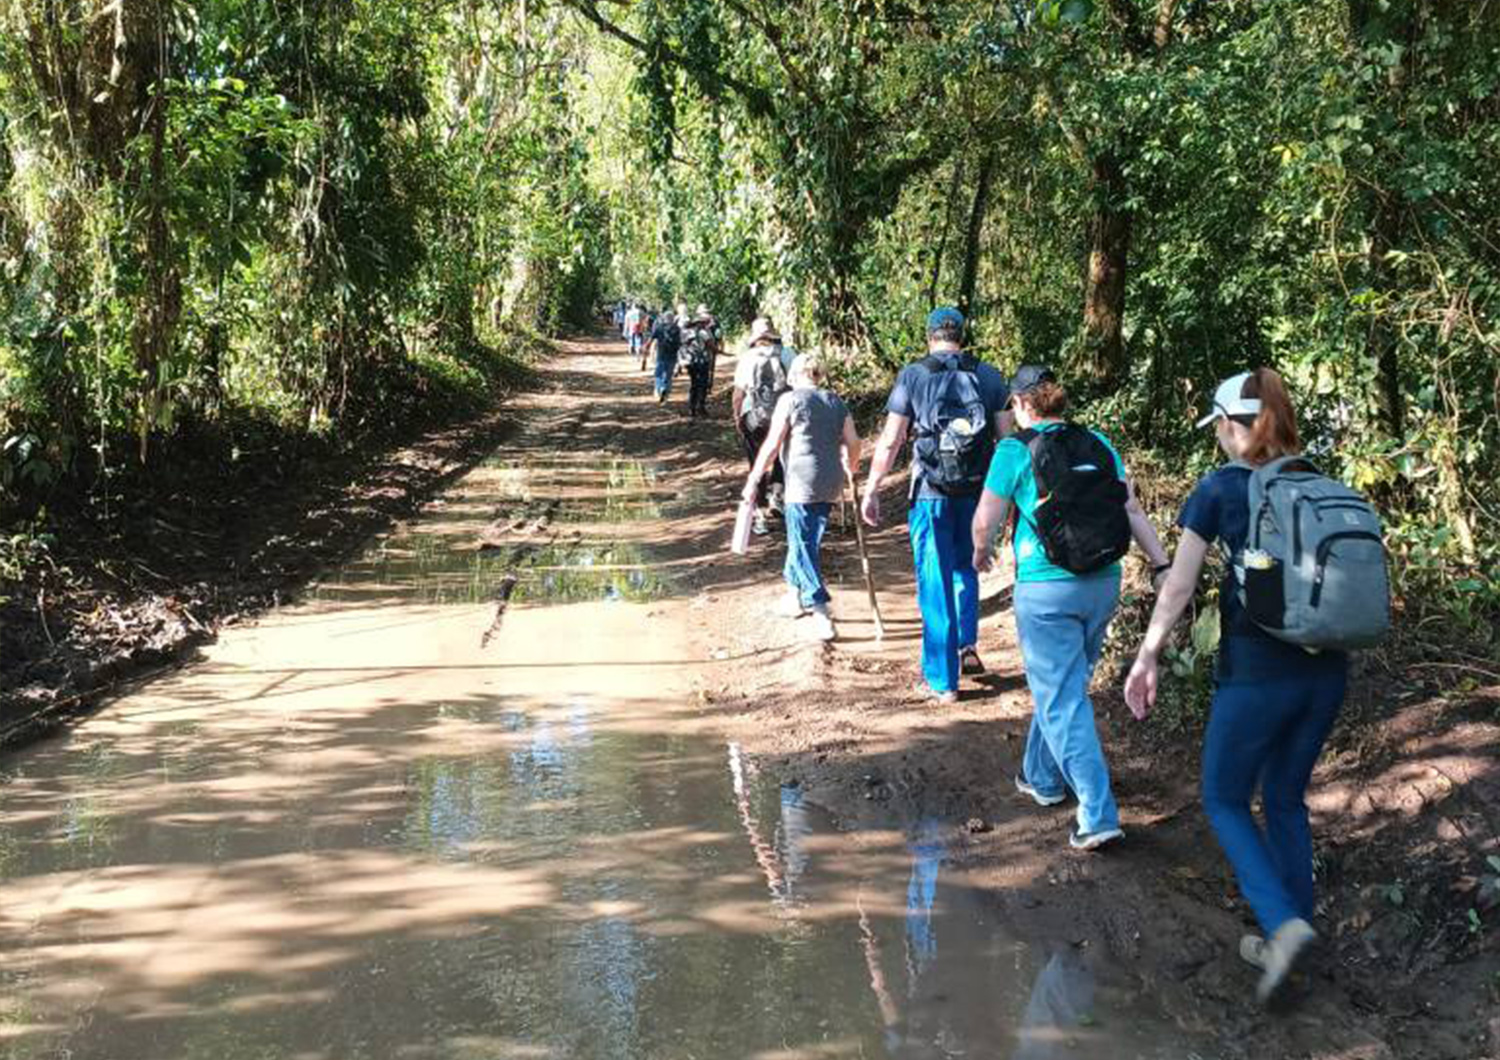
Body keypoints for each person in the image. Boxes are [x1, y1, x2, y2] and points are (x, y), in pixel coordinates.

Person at [1123, 368, 1345, 1005]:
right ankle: (1294, 931)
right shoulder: (1320, 481)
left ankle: (1284, 927)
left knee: (1223, 798)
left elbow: (1181, 585)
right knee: (1284, 799)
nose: (1219, 437)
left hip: (1257, 674)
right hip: (1326, 672)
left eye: (1221, 425)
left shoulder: (1221, 488)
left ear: (1233, 425)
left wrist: (1147, 657)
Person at [969, 365, 1170, 852]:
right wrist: (1161, 562)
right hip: (1103, 582)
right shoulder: (1098, 442)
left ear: (1020, 404)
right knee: (1065, 687)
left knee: (1061, 698)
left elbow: (984, 521)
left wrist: (980, 555)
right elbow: (1132, 510)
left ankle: (1097, 813)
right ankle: (1041, 776)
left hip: (1046, 592)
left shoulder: (1015, 450)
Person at [861, 307, 1010, 703]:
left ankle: (943, 681)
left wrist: (872, 487)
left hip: (930, 491)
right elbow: (1008, 442)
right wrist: (1007, 499)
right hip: (978, 492)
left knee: (934, 579)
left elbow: (892, 440)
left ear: (929, 336)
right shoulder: (990, 375)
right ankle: (967, 646)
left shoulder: (914, 375)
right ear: (962, 335)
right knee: (967, 566)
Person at [743, 353, 861, 641]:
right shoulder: (835, 401)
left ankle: (819, 607)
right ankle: (794, 595)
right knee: (805, 538)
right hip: (830, 482)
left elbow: (772, 445)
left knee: (803, 542)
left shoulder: (790, 400)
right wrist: (852, 463)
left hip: (801, 482)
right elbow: (854, 442)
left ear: (794, 376)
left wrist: (754, 478)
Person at [733, 317, 793, 534]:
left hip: (754, 418)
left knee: (756, 461)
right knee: (781, 455)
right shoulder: (788, 354)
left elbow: (738, 394)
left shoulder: (747, 358)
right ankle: (777, 495)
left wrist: (737, 418)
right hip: (784, 414)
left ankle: (759, 516)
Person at [680, 304, 723, 418]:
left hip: (690, 361)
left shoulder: (689, 331)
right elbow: (712, 346)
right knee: (703, 384)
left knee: (694, 384)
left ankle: (692, 408)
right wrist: (719, 351)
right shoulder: (704, 332)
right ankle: (701, 407)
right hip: (702, 361)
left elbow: (683, 345)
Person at [644, 310, 681, 402]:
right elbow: (681, 342)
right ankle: (666, 391)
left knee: (659, 373)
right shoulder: (677, 329)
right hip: (672, 354)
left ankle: (659, 389)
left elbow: (651, 339)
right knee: (668, 374)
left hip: (661, 354)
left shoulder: (659, 328)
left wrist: (646, 348)